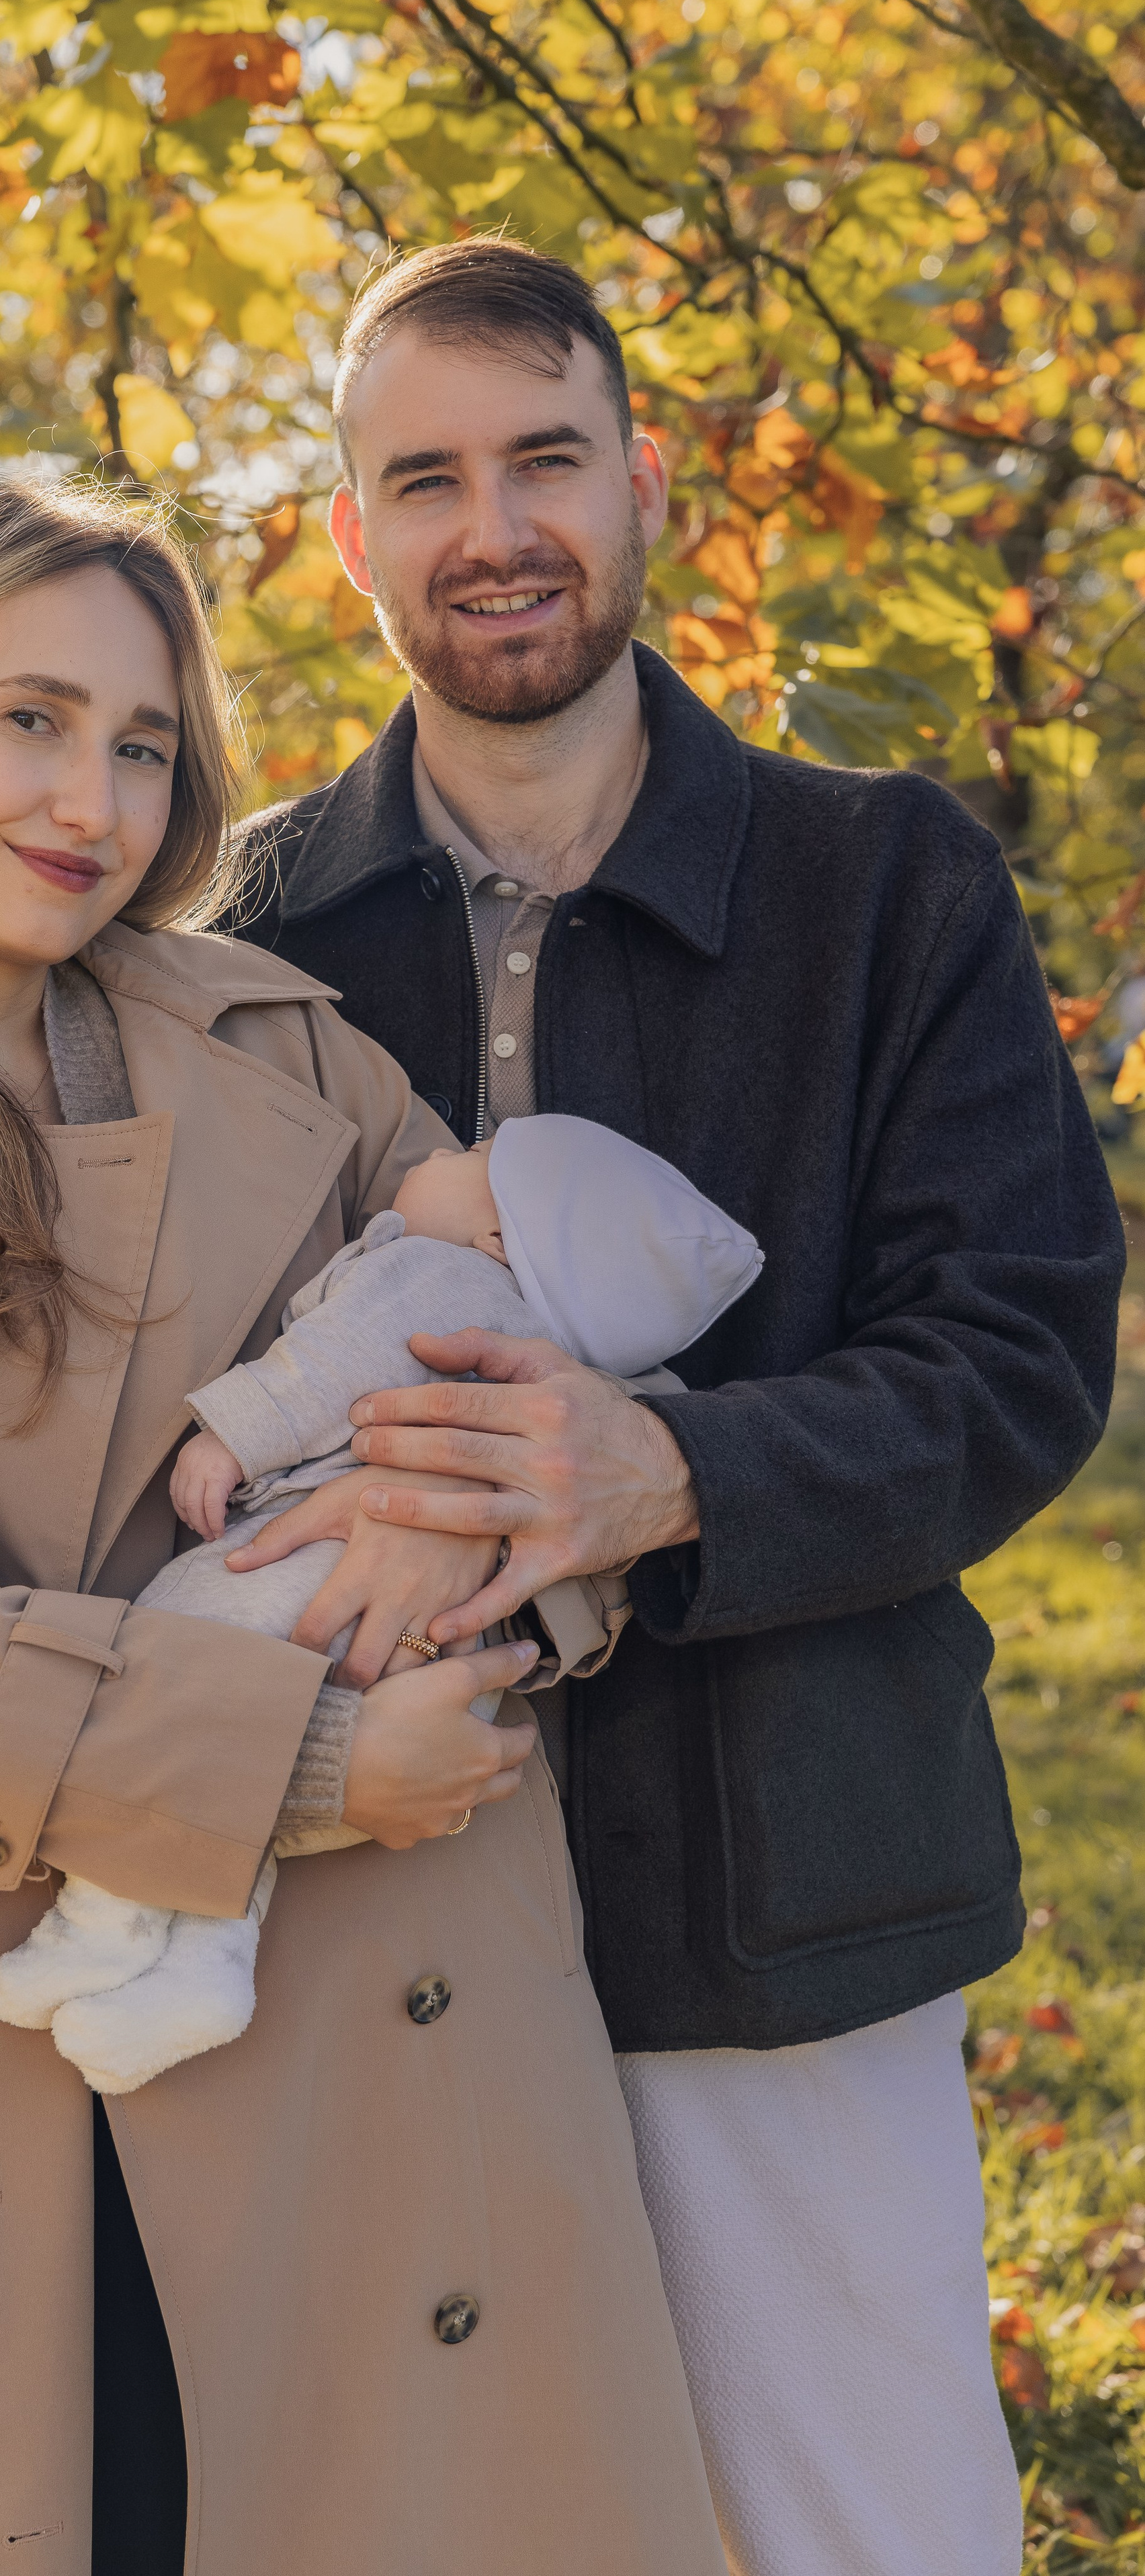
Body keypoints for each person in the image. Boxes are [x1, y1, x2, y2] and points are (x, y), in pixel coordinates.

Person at [0, 469, 726, 2575]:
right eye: (29, 719)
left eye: (139, 741)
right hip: (16, 1991)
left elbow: (532, 1391)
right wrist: (298, 1760)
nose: (89, 798)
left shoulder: (286, 1049)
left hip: (416, 1987)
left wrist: (481, 1581)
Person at [229, 237, 1128, 2576]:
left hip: (790, 1887)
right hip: (370, 1891)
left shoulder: (883, 878)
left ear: (646, 486)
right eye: (421, 478)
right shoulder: (241, 937)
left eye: (545, 457)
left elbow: (1019, 1349)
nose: (491, 525)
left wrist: (676, 1472)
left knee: (865, 2530)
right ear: (350, 538)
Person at [0, 1115, 761, 2094]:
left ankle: (105, 1928)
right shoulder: (600, 1387)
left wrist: (230, 1439)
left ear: (498, 1242)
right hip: (440, 1644)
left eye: (475, 1164)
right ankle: (202, 1961)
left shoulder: (445, 1281)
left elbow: (329, 1366)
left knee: (171, 1677)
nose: (441, 1154)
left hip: (311, 1569)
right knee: (253, 1768)